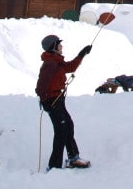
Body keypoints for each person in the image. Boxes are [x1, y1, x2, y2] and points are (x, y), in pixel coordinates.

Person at [35, 34, 92, 170]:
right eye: (59, 44)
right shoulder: (50, 64)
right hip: (52, 101)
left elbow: (70, 67)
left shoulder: (56, 62)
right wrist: (46, 101)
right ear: (53, 47)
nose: (61, 46)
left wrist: (81, 54)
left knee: (68, 126)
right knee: (61, 131)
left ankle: (73, 158)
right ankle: (54, 166)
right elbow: (40, 87)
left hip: (58, 100)